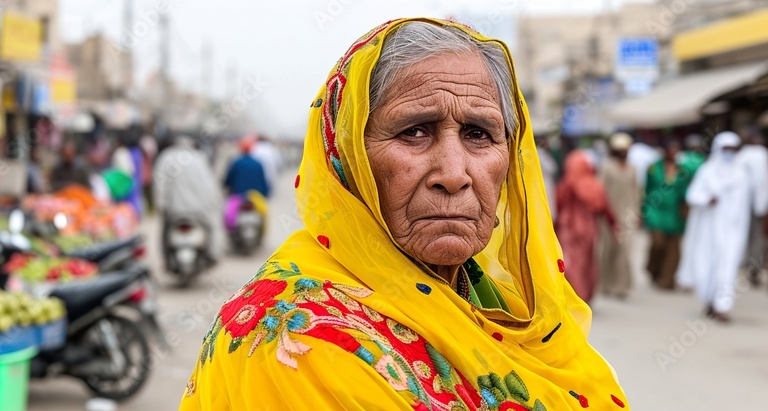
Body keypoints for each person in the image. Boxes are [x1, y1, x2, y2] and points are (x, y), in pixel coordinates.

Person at [181, 18, 627, 410]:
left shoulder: (498, 307)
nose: (453, 174)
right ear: (349, 160)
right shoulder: (297, 339)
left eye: (478, 134)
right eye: (414, 132)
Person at [677, 131, 752, 323]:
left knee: (728, 267)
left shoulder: (742, 174)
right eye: (726, 148)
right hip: (708, 231)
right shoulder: (707, 171)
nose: (729, 152)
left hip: (733, 231)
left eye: (733, 149)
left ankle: (723, 306)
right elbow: (692, 195)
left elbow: (745, 206)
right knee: (706, 266)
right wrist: (706, 199)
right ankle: (708, 300)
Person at [555, 150, 619, 304]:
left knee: (571, 263)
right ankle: (586, 295)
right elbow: (605, 207)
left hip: (568, 228)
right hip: (589, 228)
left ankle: (574, 296)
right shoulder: (595, 185)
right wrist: (614, 225)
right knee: (587, 262)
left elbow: (558, 203)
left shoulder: (566, 183)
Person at [152, 136, 225, 264]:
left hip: (174, 210)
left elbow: (159, 184)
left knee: (165, 232)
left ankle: (167, 261)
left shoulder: (166, 156)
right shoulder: (199, 158)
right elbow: (211, 186)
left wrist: (161, 205)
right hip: (199, 210)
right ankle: (212, 255)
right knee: (212, 228)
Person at [645, 141, 691, 290]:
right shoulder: (653, 168)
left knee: (673, 249)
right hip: (656, 212)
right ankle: (653, 269)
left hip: (674, 213)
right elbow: (647, 188)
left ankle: (667, 280)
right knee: (658, 244)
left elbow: (686, 191)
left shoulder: (682, 170)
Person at [597, 133, 638, 299]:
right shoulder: (607, 167)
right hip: (609, 214)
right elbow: (600, 190)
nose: (624, 152)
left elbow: (635, 191)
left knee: (625, 250)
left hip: (628, 214)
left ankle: (622, 286)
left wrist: (637, 213)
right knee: (608, 250)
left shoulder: (632, 168)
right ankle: (606, 284)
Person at [737, 126, 768, 286]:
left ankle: (754, 268)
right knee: (748, 236)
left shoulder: (760, 154)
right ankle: (749, 266)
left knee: (756, 237)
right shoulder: (743, 155)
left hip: (756, 204)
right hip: (743, 204)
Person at [222, 137, 270, 232]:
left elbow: (228, 180)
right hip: (256, 197)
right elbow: (263, 182)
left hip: (238, 196)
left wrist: (225, 186)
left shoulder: (236, 163)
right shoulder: (258, 163)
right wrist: (265, 194)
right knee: (264, 216)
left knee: (228, 217)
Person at [536, 134, 558, 216]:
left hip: (545, 183)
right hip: (543, 183)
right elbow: (551, 168)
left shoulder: (542, 153)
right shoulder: (540, 153)